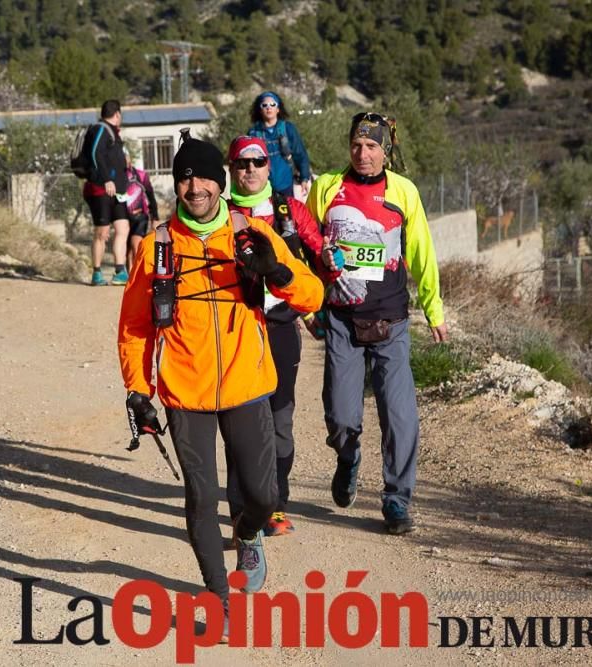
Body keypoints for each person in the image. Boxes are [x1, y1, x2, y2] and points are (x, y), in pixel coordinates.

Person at [118, 138, 322, 612]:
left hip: (247, 384)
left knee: (262, 493)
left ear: (221, 181)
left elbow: (312, 296)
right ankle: (218, 596)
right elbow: (134, 327)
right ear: (176, 184)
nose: (196, 187)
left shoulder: (252, 234)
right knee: (201, 495)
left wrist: (279, 274)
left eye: (205, 176)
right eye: (186, 177)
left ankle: (248, 530)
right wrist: (138, 389)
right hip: (185, 393)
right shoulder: (156, 248)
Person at [306, 112, 448, 535]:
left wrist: (433, 307)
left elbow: (421, 250)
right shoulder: (326, 187)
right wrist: (310, 301)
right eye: (356, 145)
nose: (362, 153)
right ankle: (347, 459)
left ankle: (397, 500)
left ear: (385, 151)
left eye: (371, 147)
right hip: (341, 319)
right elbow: (308, 244)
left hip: (391, 320)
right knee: (341, 416)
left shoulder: (404, 191)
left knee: (400, 415)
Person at [224, 136, 324, 537]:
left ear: (269, 167)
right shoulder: (219, 214)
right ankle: (240, 509)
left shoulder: (289, 211)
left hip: (281, 325)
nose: (249, 170)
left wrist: (316, 307)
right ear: (231, 170)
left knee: (280, 418)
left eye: (257, 162)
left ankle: (276, 505)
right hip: (236, 327)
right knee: (238, 421)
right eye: (241, 164)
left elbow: (317, 257)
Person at [82, 100, 130, 285]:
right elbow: (95, 153)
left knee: (122, 228)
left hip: (117, 192)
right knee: (102, 232)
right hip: (100, 189)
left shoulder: (113, 133)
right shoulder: (100, 128)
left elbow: (109, 155)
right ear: (117, 114)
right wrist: (106, 179)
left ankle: (120, 271)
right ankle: (97, 273)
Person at [247, 91, 312, 199]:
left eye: (273, 104)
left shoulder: (288, 128)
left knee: (288, 214)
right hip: (263, 187)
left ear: (278, 109)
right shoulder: (253, 133)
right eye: (264, 105)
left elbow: (300, 154)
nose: (269, 108)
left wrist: (305, 178)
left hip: (286, 184)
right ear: (260, 109)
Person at [122, 151, 160, 270]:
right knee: (127, 250)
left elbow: (151, 196)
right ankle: (129, 276)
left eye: (125, 157)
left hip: (140, 215)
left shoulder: (141, 175)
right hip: (123, 217)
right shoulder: (116, 176)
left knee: (136, 245)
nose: (123, 160)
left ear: (129, 158)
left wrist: (155, 217)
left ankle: (137, 274)